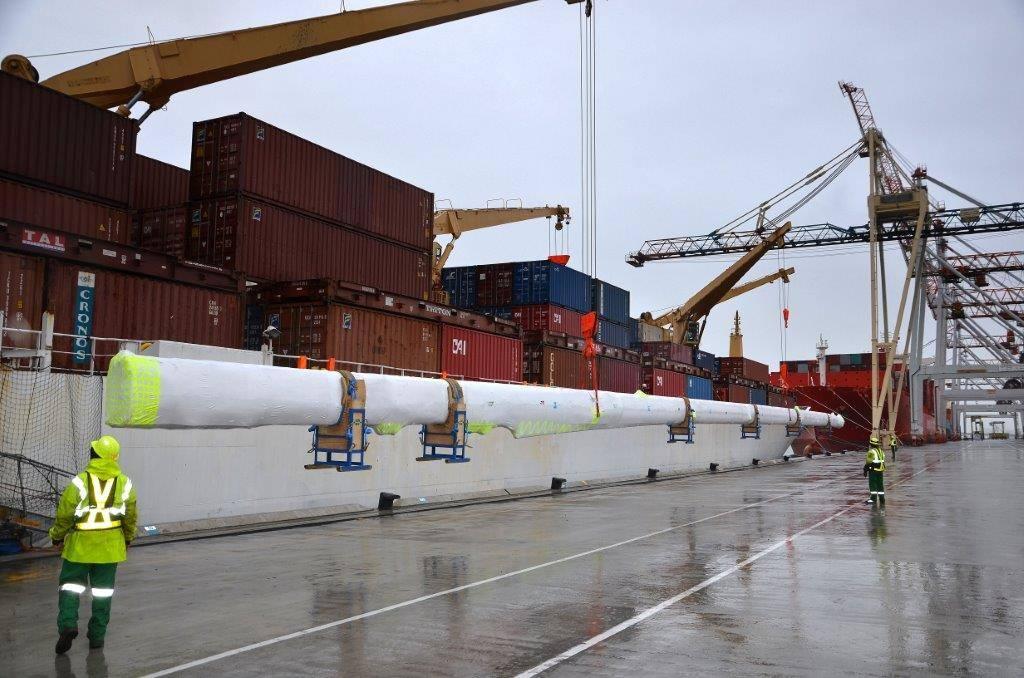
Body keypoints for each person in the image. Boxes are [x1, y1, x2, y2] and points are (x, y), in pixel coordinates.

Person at [49, 435, 137, 654]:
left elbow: (65, 513)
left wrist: (57, 536)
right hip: (109, 549)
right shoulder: (125, 483)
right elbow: (131, 515)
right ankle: (97, 637)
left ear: (95, 455)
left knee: (70, 587)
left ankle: (68, 624)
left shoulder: (79, 481)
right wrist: (128, 537)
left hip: (79, 547)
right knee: (103, 593)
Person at [863, 435, 886, 507]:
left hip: (873, 471)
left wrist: (865, 469)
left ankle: (873, 499)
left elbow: (868, 461)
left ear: (871, 444)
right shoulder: (881, 451)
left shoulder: (871, 451)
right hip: (880, 470)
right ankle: (882, 499)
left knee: (873, 485)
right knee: (880, 485)